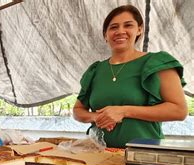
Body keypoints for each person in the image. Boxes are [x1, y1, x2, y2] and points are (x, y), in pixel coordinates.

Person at [72, 5, 187, 148]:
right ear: (105, 35)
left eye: (128, 25)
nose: (120, 31)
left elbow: (179, 110)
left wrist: (124, 111)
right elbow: (78, 111)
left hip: (143, 156)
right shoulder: (95, 70)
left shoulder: (156, 63)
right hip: (98, 155)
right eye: (113, 27)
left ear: (139, 30)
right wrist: (97, 117)